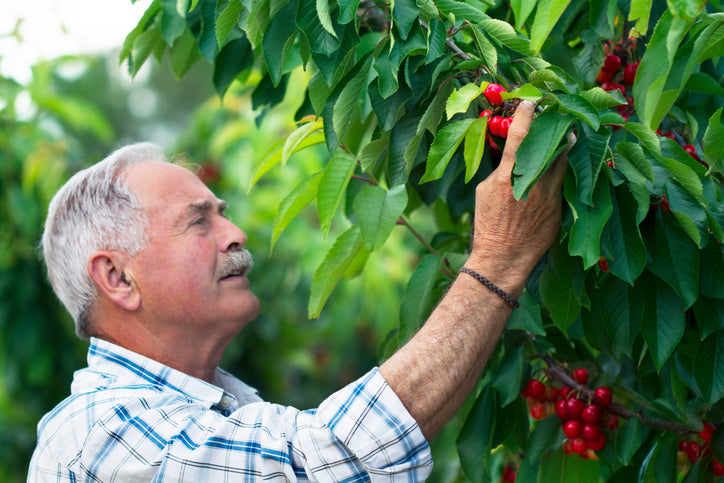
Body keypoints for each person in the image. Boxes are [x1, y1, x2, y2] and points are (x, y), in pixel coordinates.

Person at [28, 100, 571, 481]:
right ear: (118, 279)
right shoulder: (100, 433)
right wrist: (498, 259)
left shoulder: (227, 410)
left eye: (223, 214)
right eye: (198, 222)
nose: (235, 233)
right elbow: (324, 463)